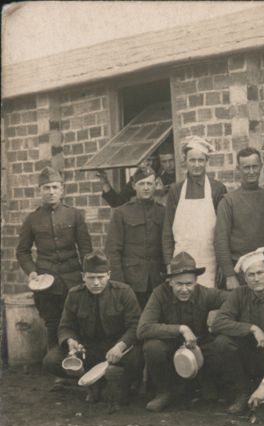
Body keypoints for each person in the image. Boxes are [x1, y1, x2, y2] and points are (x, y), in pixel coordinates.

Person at [137, 252, 236, 412]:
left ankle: (207, 382)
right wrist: (181, 329)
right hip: (170, 346)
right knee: (152, 346)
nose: (184, 289)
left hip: (199, 347)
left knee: (220, 344)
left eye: (189, 284)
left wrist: (220, 312)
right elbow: (143, 329)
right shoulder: (159, 294)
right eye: (179, 284)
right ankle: (163, 392)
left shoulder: (205, 293)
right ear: (170, 282)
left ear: (196, 281)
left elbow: (235, 297)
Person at [43, 251, 142, 410]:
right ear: (83, 276)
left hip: (117, 349)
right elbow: (66, 326)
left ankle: (119, 384)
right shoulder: (75, 294)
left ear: (109, 275)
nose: (96, 282)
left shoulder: (124, 292)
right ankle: (91, 383)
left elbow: (135, 325)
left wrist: (120, 346)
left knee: (137, 357)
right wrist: (71, 341)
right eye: (91, 277)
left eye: (101, 277)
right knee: (51, 360)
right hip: (87, 348)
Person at [211, 248, 264, 414]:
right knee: (223, 342)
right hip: (250, 356)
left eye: (260, 272)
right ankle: (242, 393)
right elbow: (218, 323)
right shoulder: (239, 294)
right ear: (245, 278)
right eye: (251, 275)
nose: (256, 278)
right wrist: (251, 328)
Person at [17, 166, 93, 350]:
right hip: (47, 282)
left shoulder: (74, 215)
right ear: (40, 191)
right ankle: (58, 368)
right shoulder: (32, 219)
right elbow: (22, 251)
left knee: (79, 321)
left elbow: (85, 249)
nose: (51, 192)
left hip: (73, 279)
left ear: (62, 189)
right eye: (46, 188)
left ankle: (79, 364)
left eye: (54, 187)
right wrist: (32, 272)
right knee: (53, 324)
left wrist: (87, 273)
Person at [163, 136, 227, 288]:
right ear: (185, 161)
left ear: (206, 162)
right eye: (192, 160)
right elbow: (167, 231)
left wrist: (222, 264)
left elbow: (224, 231)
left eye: (201, 160)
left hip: (209, 259)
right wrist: (168, 263)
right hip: (181, 260)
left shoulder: (217, 189)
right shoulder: (176, 190)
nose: (197, 165)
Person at [106, 166, 166, 309]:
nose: (146, 188)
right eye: (141, 184)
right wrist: (119, 284)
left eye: (149, 184)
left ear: (156, 184)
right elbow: (113, 251)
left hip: (158, 279)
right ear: (134, 185)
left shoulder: (163, 212)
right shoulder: (122, 212)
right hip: (132, 281)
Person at [214, 147, 264, 290]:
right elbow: (221, 241)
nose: (251, 172)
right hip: (239, 273)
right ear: (238, 169)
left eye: (255, 166)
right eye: (246, 168)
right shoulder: (228, 201)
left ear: (261, 167)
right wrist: (229, 275)